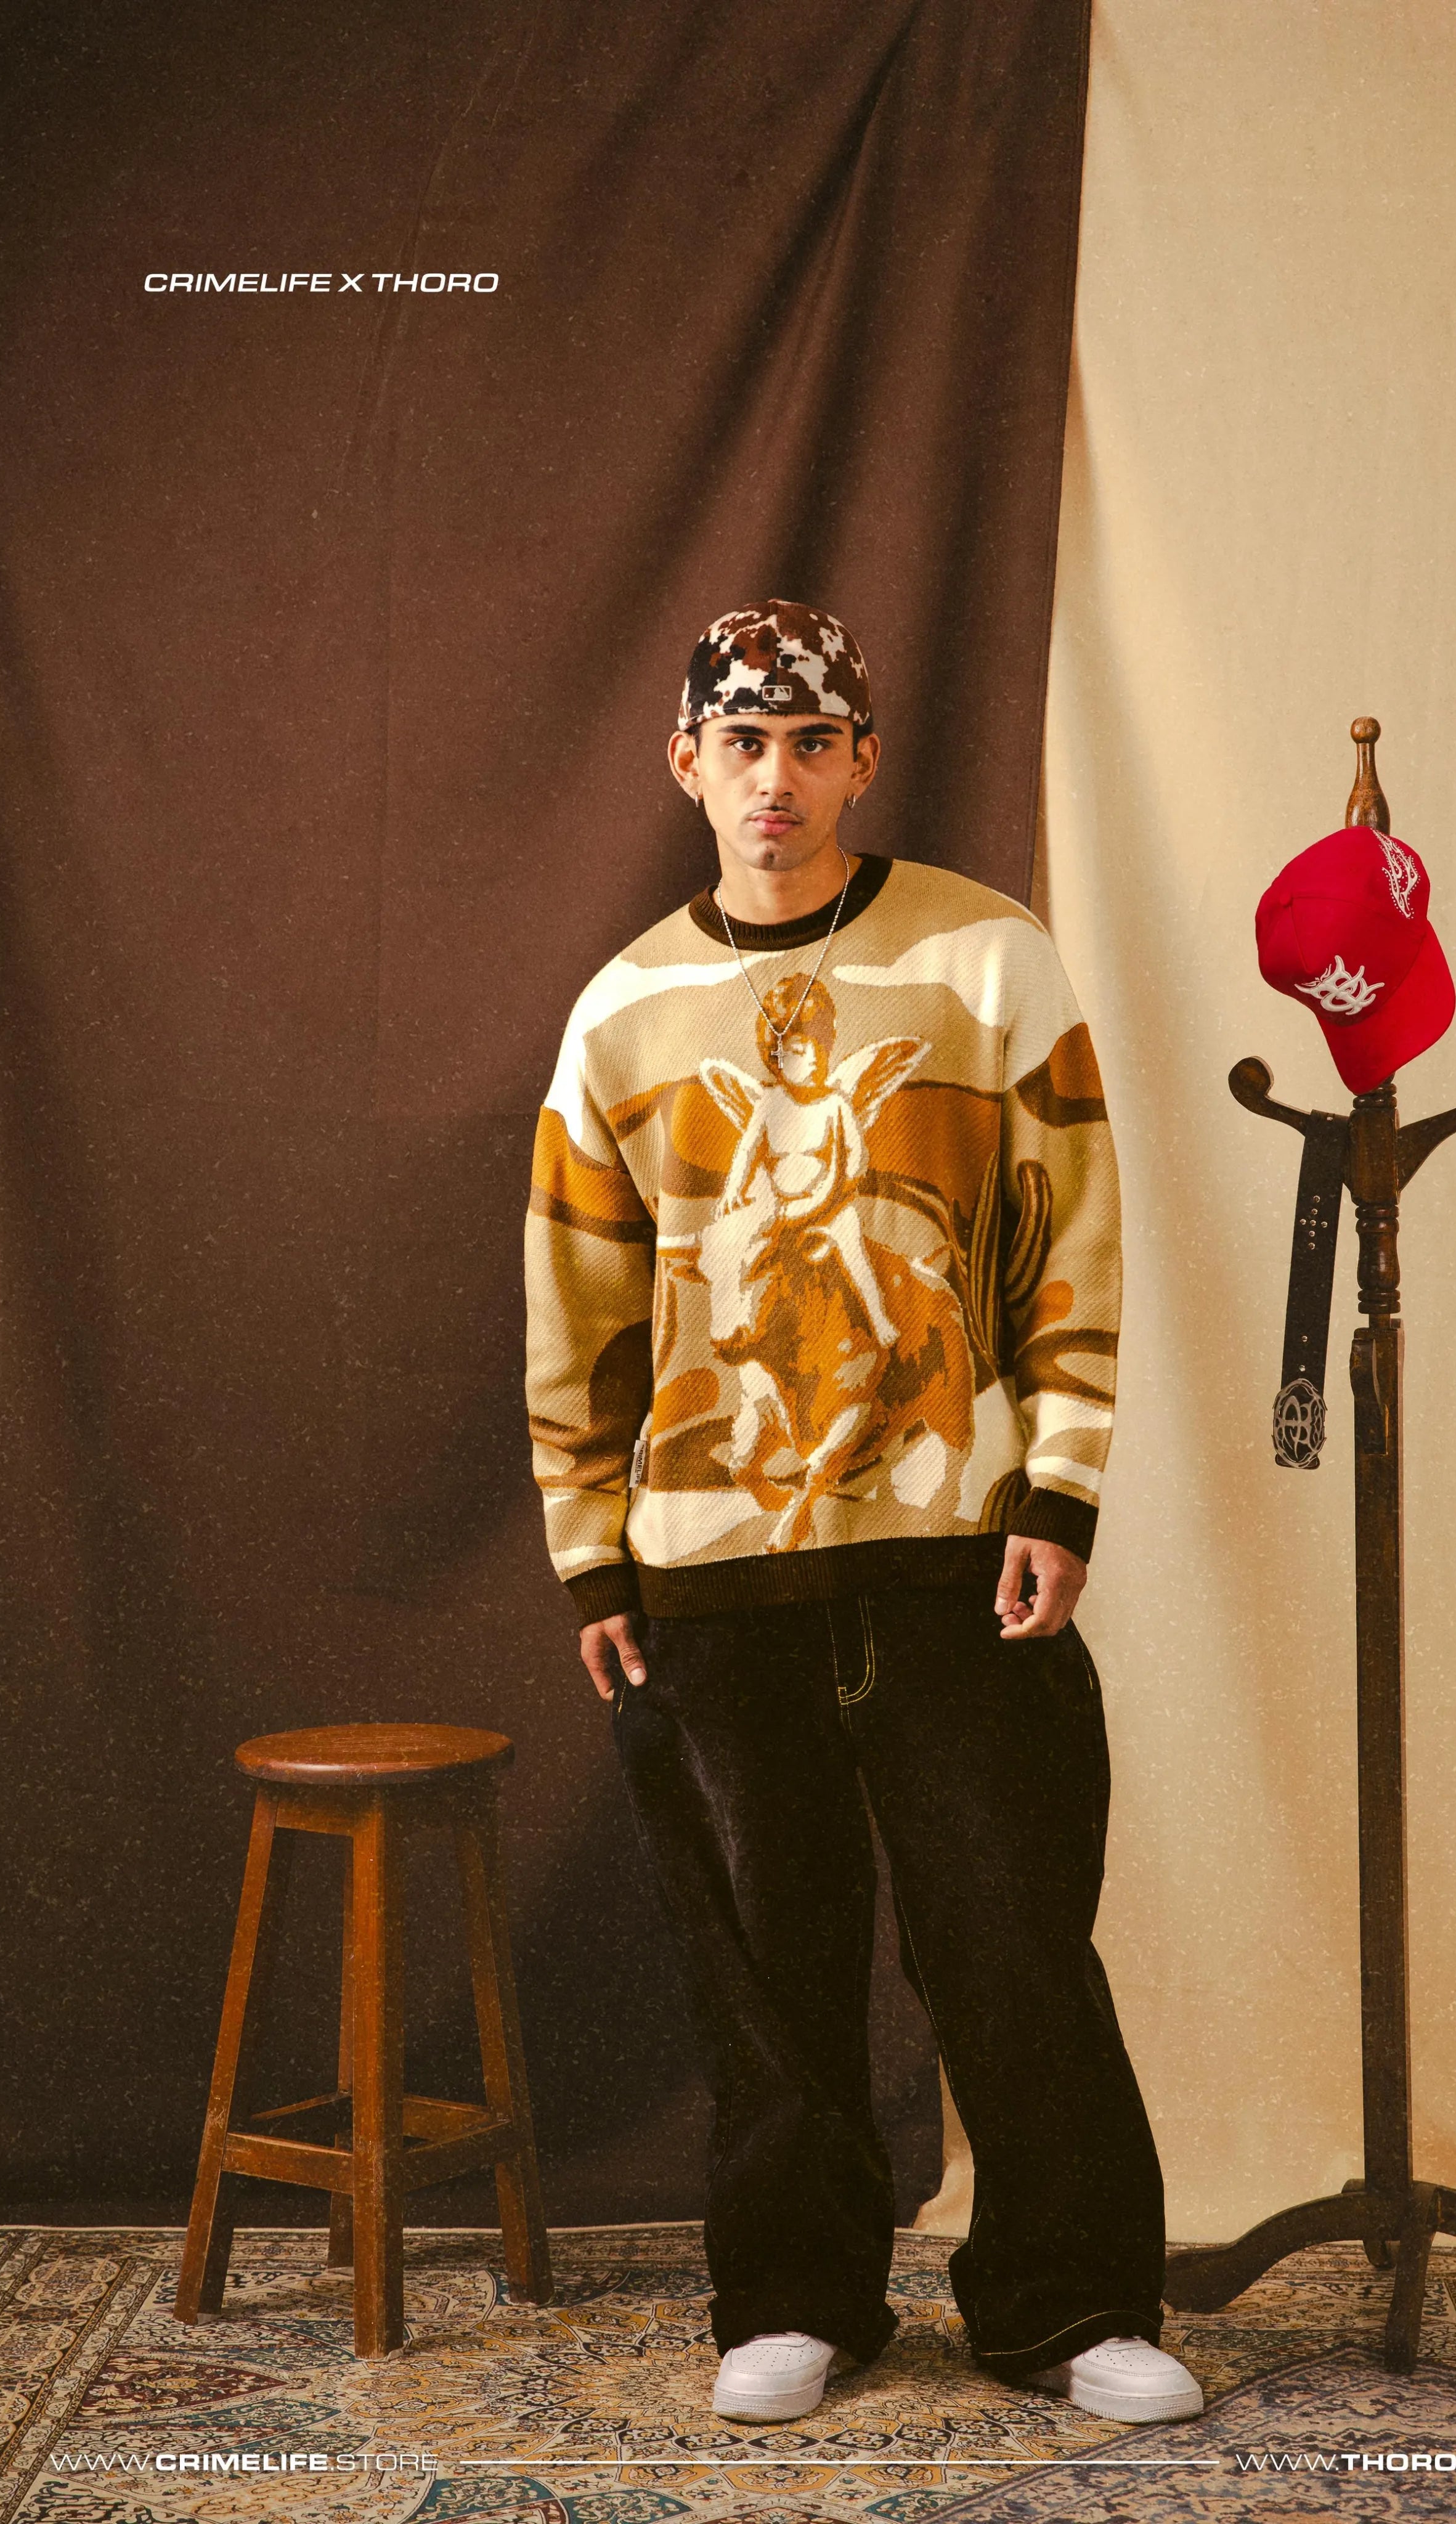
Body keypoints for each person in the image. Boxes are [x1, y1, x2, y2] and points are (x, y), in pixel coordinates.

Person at [524, 600, 1202, 2428]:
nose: (777, 777)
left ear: (862, 760)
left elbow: (1070, 1231)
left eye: (811, 743)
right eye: (742, 742)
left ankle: (1069, 2304)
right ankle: (796, 2297)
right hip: (710, 1564)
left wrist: (1059, 1482)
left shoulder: (987, 960)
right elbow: (578, 1292)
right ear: (687, 761)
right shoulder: (620, 1014)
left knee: (1011, 1938)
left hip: (951, 1548)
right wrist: (590, 1545)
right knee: (769, 1963)